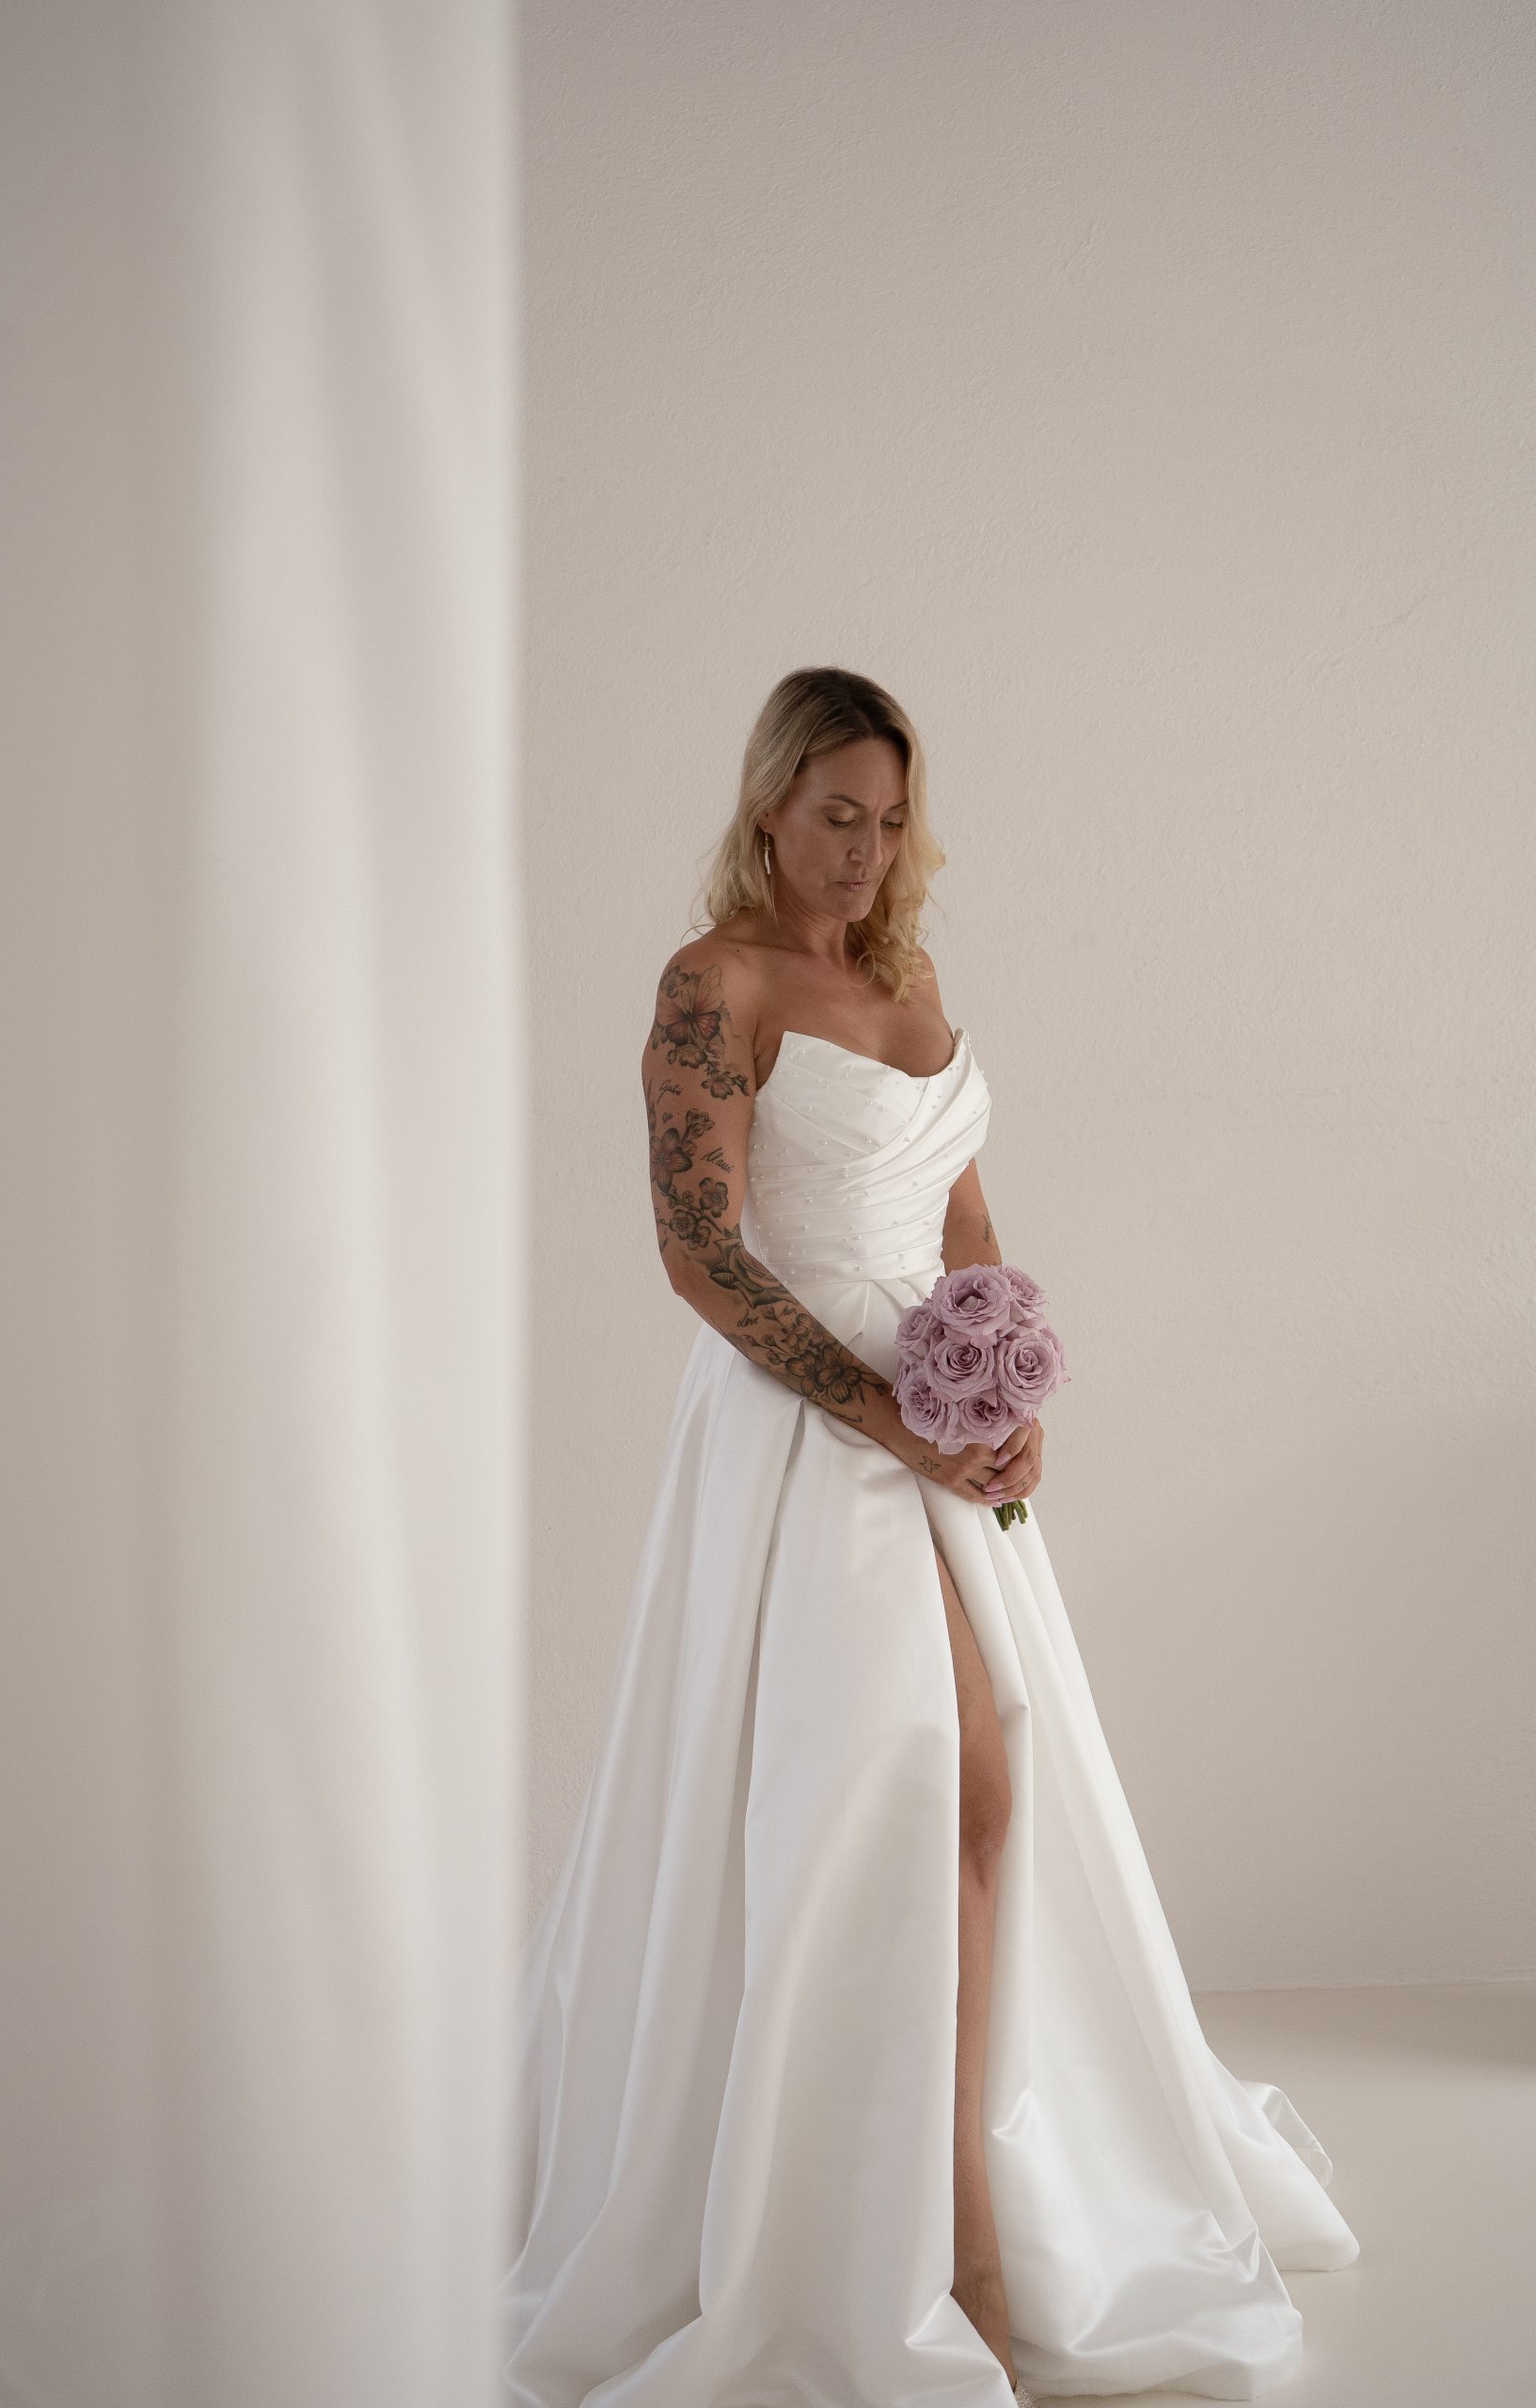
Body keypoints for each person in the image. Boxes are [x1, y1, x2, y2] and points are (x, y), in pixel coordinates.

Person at [502, 668, 1358, 2407]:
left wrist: (1003, 1374)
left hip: (940, 1436)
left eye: (890, 822)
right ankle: (914, 2249)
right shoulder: (714, 985)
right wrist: (885, 1409)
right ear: (768, 805)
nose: (866, 852)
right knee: (890, 1793)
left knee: (980, 1785)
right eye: (838, 815)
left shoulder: (911, 981)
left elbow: (961, 1217)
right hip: (801, 1435)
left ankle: (964, 2206)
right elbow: (698, 1255)